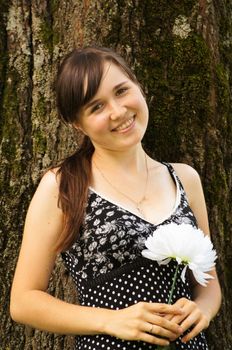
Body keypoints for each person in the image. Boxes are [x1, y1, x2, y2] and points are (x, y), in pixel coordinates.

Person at [10, 46, 221, 350]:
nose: (118, 111)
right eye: (96, 107)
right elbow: (23, 301)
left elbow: (209, 284)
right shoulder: (62, 186)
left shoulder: (185, 178)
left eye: (122, 91)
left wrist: (202, 309)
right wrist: (110, 320)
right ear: (76, 123)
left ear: (138, 86)